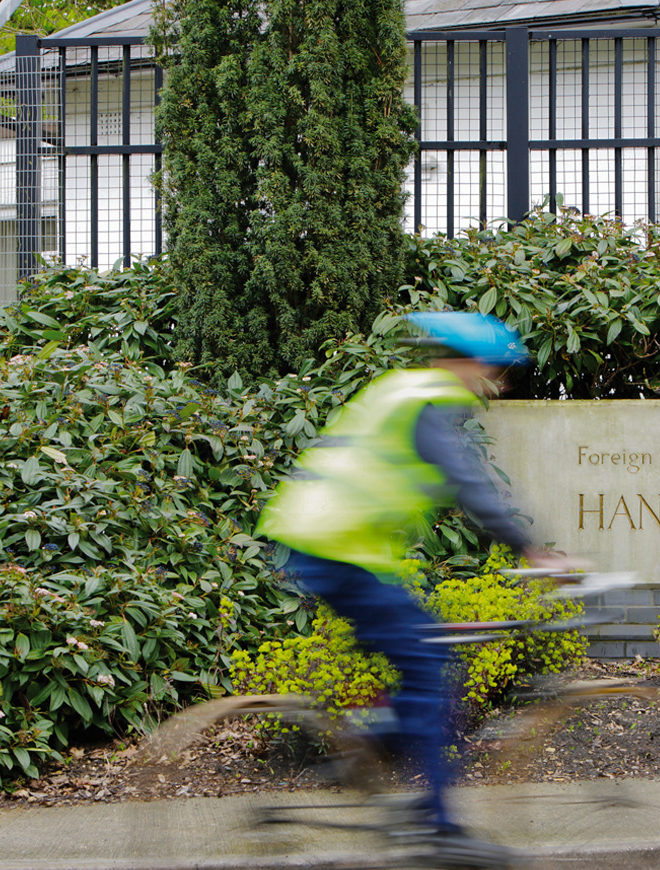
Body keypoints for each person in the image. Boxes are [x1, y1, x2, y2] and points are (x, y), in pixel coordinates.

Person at [257, 311, 572, 865]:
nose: (496, 385)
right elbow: (467, 483)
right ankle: (438, 827)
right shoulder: (425, 400)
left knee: (425, 661)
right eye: (494, 370)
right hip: (336, 552)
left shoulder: (407, 392)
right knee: (430, 672)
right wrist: (530, 549)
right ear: (462, 361)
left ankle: (365, 746)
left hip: (337, 549)